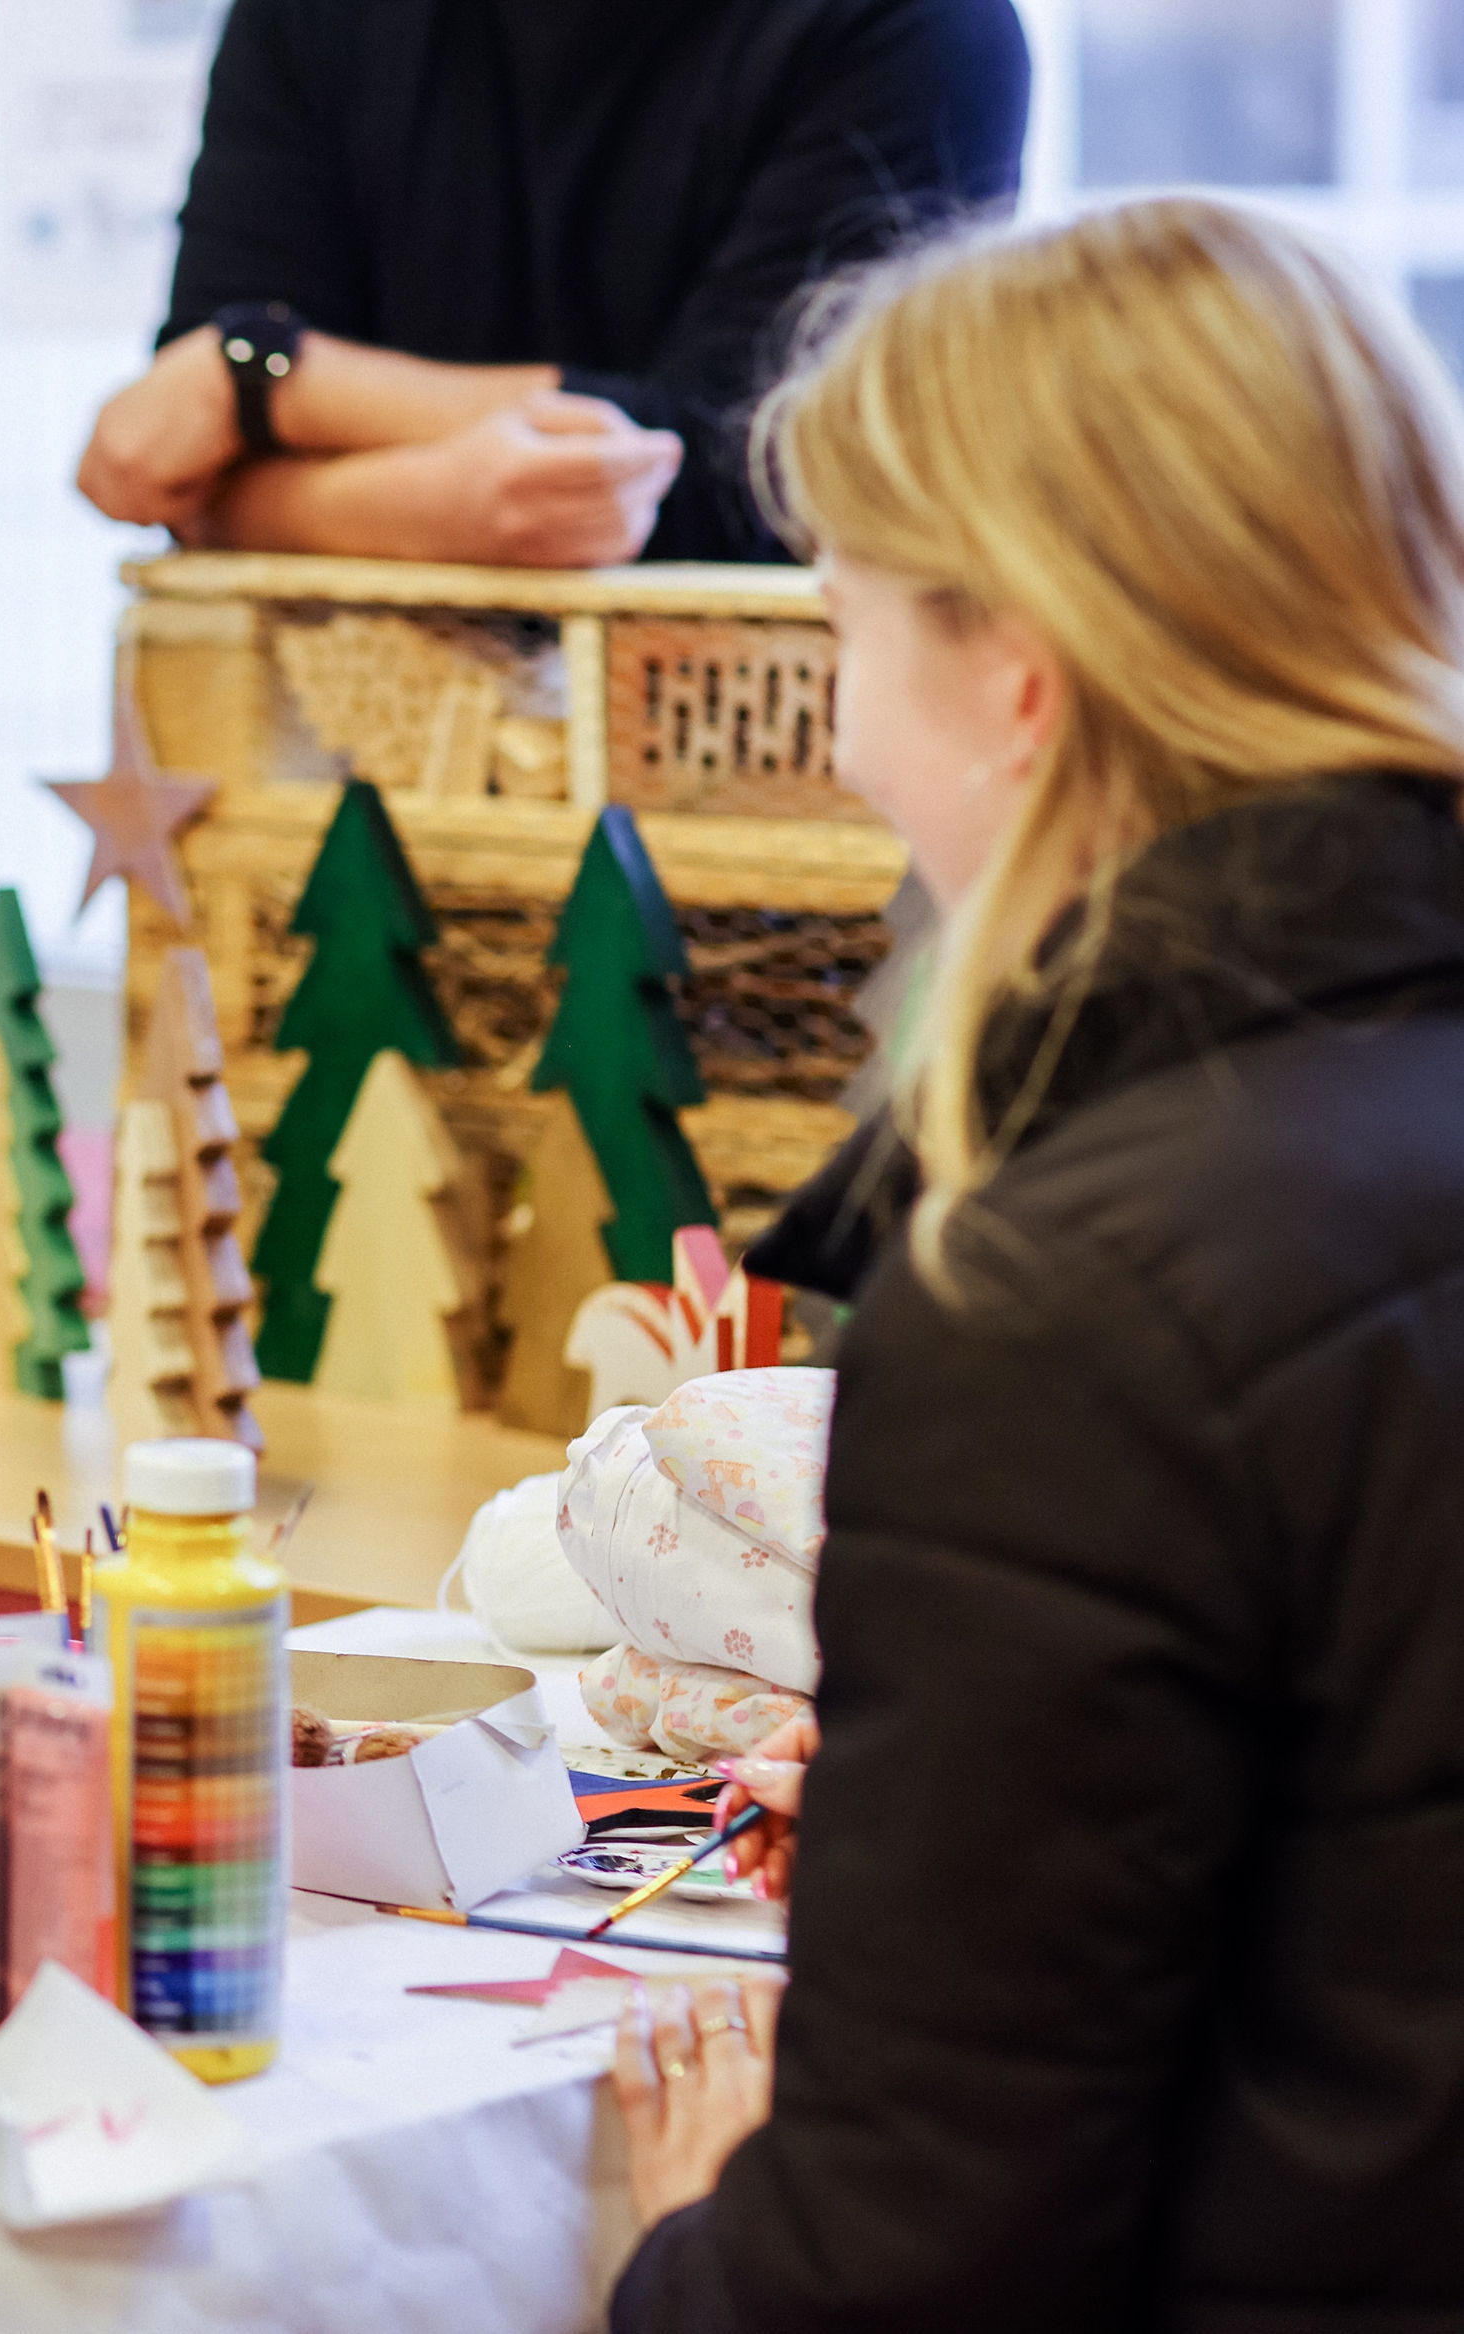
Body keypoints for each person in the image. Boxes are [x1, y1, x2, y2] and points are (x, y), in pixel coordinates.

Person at [599, 196, 1464, 2325]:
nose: (841, 743)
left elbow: (903, 2275)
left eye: (843, 630)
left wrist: (686, 2250)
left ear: (1014, 677)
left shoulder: (1067, 1306)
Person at [76, 0, 1028, 565]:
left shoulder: (914, 26)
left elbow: (747, 477)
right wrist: (424, 510)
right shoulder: (318, 18)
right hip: (336, 744)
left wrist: (271, 381)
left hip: (749, 771)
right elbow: (176, 453)